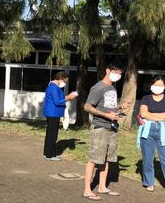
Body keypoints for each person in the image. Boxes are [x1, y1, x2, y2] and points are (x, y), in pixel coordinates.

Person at [82, 63, 131, 201]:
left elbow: (108, 107)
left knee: (107, 158)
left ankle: (102, 187)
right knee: (94, 158)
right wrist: (107, 116)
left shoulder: (112, 88)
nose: (118, 75)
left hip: (113, 127)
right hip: (100, 127)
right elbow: (87, 106)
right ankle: (87, 190)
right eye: (116, 72)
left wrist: (120, 107)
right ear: (108, 70)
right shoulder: (98, 87)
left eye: (120, 73)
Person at [137, 76, 165, 192]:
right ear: (151, 86)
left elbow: (148, 114)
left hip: (163, 131)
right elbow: (143, 114)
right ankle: (149, 182)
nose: (157, 87)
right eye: (155, 85)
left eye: (160, 85)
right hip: (147, 131)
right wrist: (161, 116)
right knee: (148, 158)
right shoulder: (146, 98)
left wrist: (151, 115)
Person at [42, 71, 78, 160]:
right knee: (52, 135)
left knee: (51, 134)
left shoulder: (56, 87)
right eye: (65, 80)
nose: (65, 83)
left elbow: (60, 98)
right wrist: (69, 97)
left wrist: (68, 96)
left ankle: (48, 153)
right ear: (61, 78)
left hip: (54, 113)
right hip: (53, 113)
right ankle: (50, 155)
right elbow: (57, 101)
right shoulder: (54, 87)